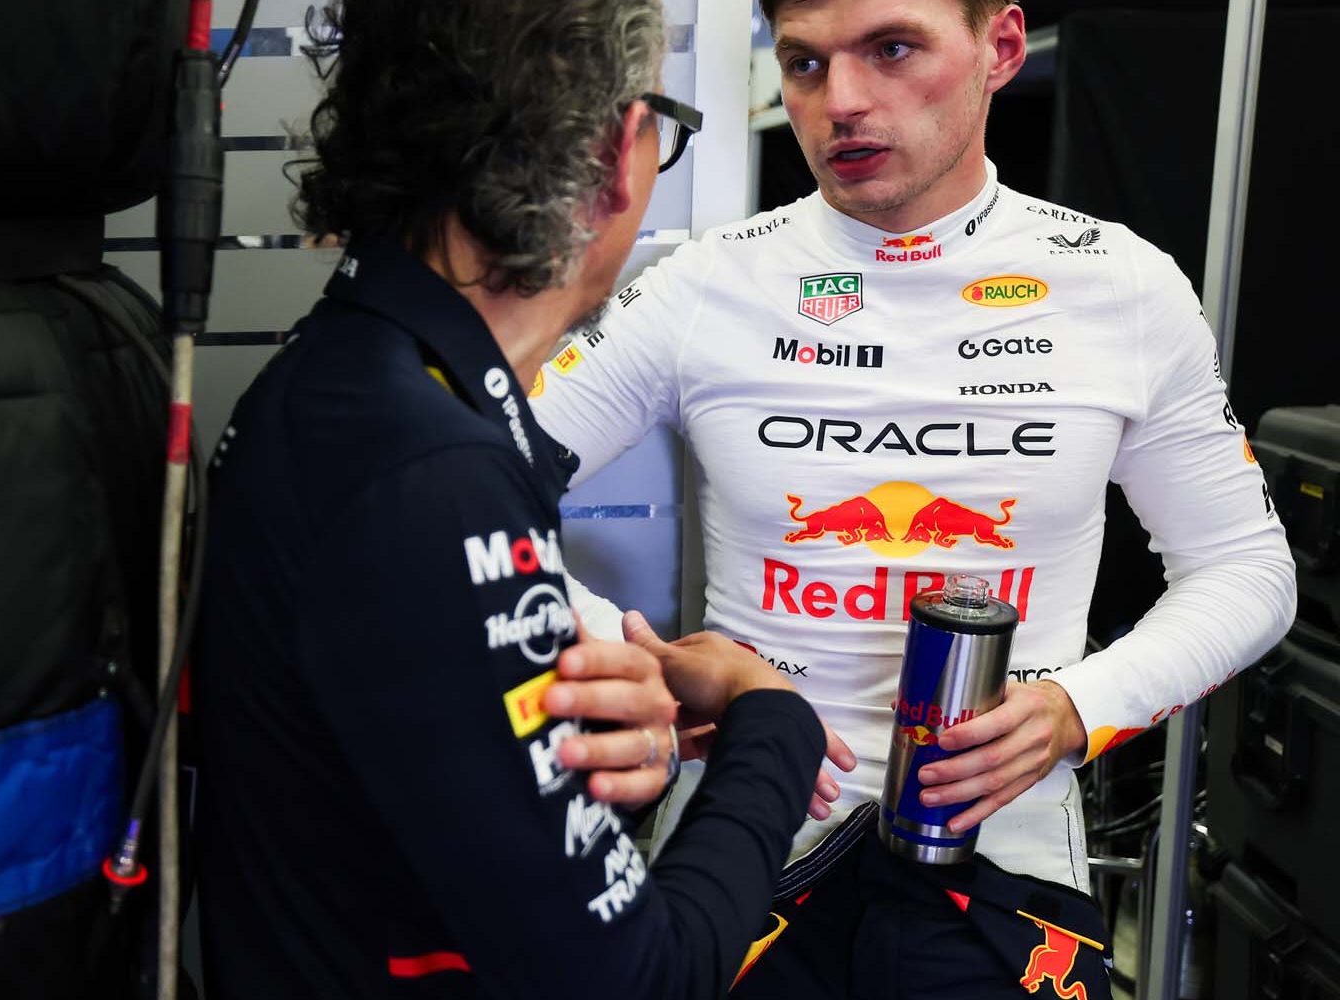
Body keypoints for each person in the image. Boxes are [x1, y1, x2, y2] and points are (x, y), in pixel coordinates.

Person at [535, 0, 1296, 994]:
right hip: (750, 849)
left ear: (1001, 50)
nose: (840, 101)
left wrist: (1080, 704)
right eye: (804, 64)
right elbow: (466, 491)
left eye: (892, 49)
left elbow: (1249, 568)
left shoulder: (1124, 288)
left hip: (1002, 863)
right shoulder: (708, 282)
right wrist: (629, 660)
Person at [191, 0, 861, 996]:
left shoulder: (348, 380)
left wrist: (601, 737)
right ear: (615, 153)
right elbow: (643, 979)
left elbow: (408, 766)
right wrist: (773, 721)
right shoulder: (429, 468)